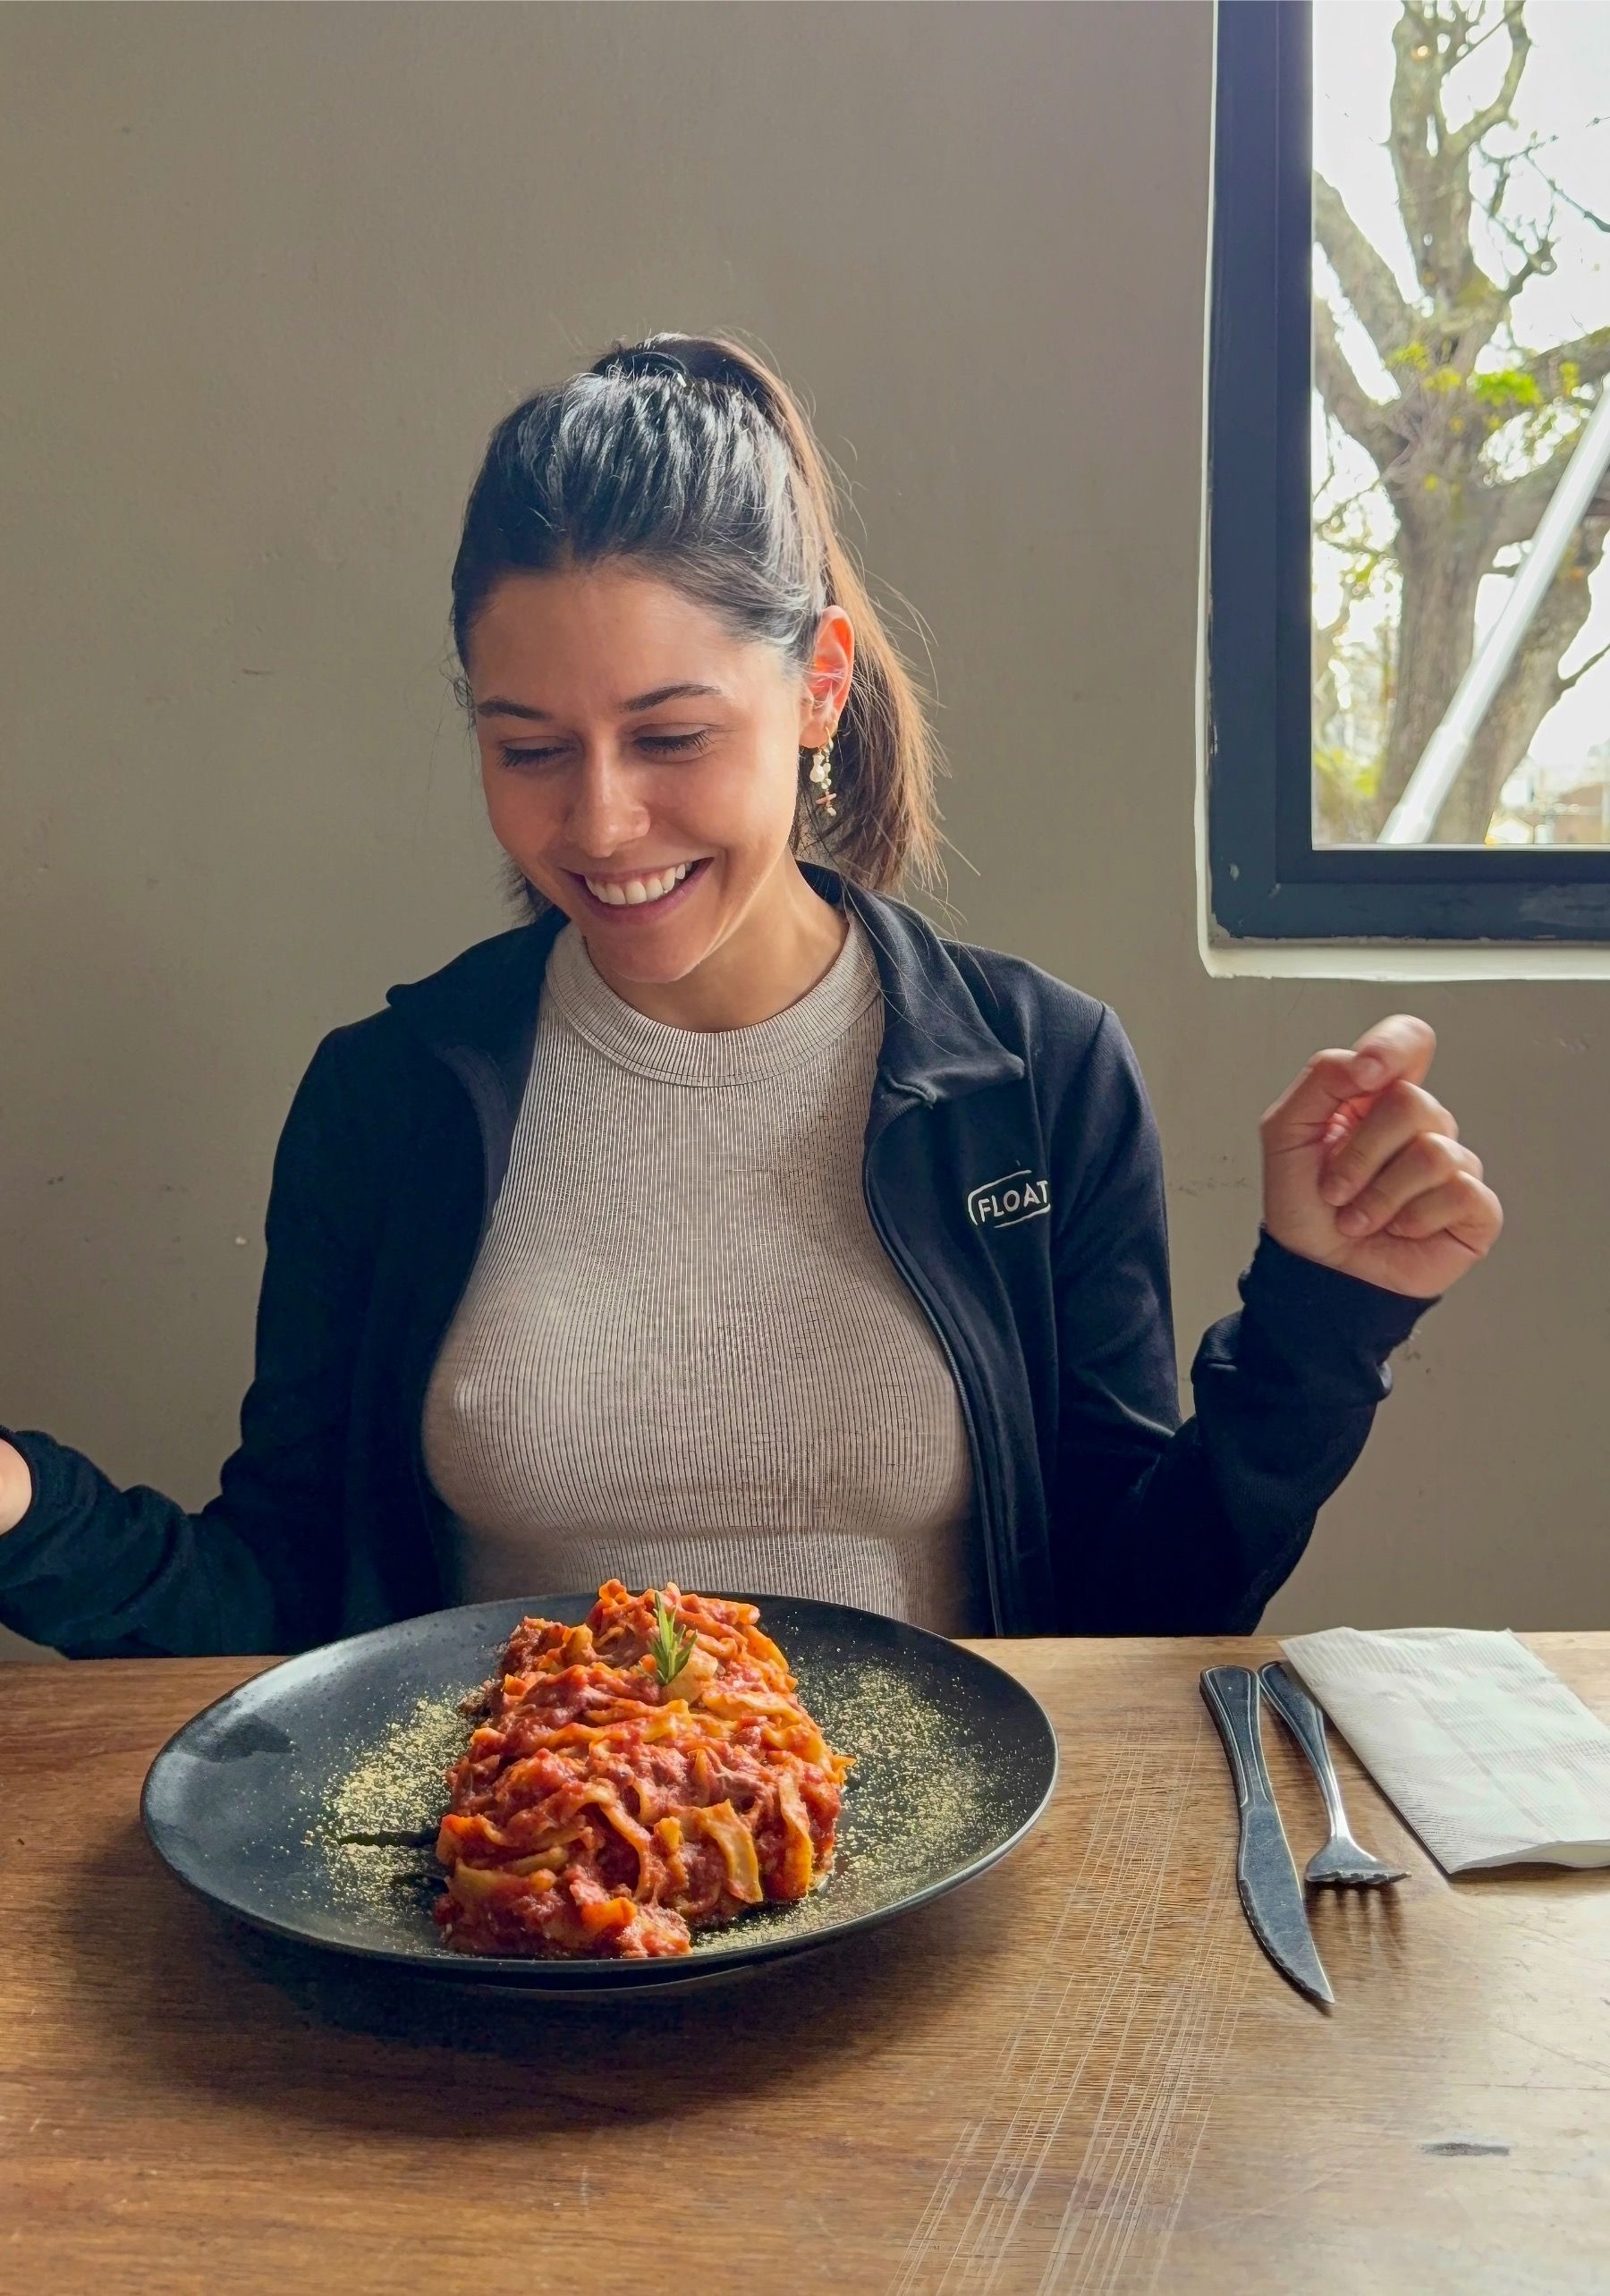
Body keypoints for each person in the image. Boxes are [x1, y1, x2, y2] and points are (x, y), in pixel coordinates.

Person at [0, 332, 1503, 1660]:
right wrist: (17, 1509)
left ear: (820, 691)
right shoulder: (388, 1094)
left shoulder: (1039, 1074)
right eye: (528, 748)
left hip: (927, 1912)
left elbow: (1131, 1617)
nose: (595, 825)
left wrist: (1325, 1311)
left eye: (670, 738)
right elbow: (279, 1606)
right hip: (525, 1917)